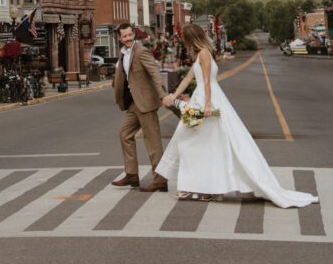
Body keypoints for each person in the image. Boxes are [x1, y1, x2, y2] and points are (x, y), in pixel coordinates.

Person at [157, 24, 318, 209]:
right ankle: (200, 187)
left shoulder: (203, 53)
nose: (183, 41)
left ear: (192, 38)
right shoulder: (199, 54)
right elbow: (187, 78)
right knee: (197, 142)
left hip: (207, 100)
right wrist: (174, 96)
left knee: (197, 142)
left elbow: (207, 82)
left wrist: (207, 105)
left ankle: (200, 187)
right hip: (200, 99)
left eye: (184, 38)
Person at [112, 22, 169, 192]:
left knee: (152, 141)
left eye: (130, 35)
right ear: (120, 38)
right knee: (125, 134)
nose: (128, 38)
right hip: (134, 103)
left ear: (133, 35)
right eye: (125, 36)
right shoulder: (123, 53)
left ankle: (160, 180)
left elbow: (155, 73)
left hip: (146, 102)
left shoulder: (141, 51)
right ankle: (132, 175)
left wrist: (163, 94)